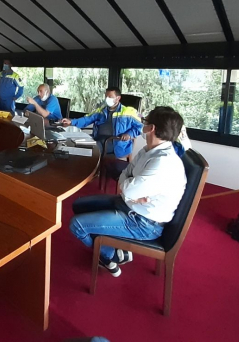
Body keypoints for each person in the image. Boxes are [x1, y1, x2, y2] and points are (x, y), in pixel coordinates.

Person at [69, 107, 186, 277]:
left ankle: (110, 255)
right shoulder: (148, 150)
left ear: (151, 128)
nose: (142, 124)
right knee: (78, 205)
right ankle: (115, 247)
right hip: (130, 205)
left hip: (144, 223)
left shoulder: (163, 162)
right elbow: (125, 175)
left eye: (145, 122)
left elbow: (126, 186)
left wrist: (128, 186)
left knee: (76, 225)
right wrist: (131, 189)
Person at [61, 87, 142, 159]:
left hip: (114, 143)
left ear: (118, 98)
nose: (107, 99)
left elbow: (140, 127)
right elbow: (87, 119)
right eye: (106, 96)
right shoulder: (101, 110)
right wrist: (71, 122)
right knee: (75, 146)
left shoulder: (128, 112)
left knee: (89, 152)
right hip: (98, 139)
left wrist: (129, 134)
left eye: (110, 97)